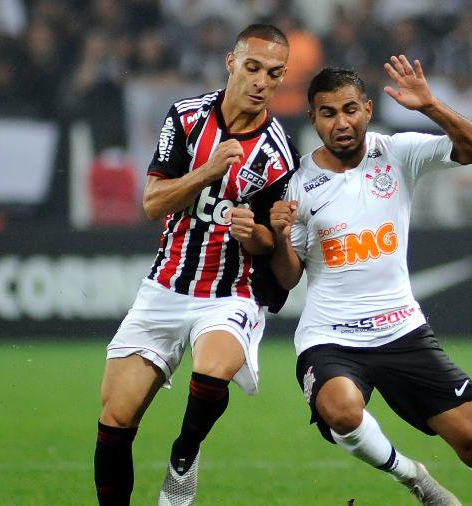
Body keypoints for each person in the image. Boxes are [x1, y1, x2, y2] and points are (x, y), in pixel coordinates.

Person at [270, 61, 472, 505]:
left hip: (402, 329)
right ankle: (415, 479)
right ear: (312, 119)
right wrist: (278, 238)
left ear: (368, 110)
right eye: (328, 113)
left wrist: (430, 105)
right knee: (341, 411)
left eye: (350, 109)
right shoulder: (297, 184)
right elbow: (288, 277)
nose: (342, 122)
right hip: (331, 336)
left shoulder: (397, 151)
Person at [94, 24, 299, 506]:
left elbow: (275, 249)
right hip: (165, 285)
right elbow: (152, 202)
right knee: (115, 418)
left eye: (273, 74)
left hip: (230, 292)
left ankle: (183, 458)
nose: (260, 82)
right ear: (231, 62)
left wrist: (261, 234)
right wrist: (208, 171)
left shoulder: (278, 153)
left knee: (212, 369)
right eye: (252, 68)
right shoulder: (186, 118)